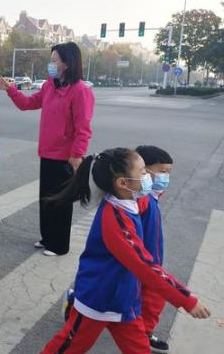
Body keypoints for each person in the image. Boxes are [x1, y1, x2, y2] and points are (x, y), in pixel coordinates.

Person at [40, 148, 210, 354]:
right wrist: (187, 300)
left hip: (125, 301)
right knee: (69, 347)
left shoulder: (130, 202)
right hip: (99, 302)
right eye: (143, 172)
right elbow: (144, 265)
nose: (149, 177)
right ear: (123, 183)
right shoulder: (116, 219)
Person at [0, 41, 95, 256]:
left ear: (66, 64)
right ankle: (48, 237)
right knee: (46, 199)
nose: (50, 64)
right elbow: (27, 104)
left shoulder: (80, 91)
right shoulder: (50, 85)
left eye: (53, 60)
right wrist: (10, 89)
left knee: (61, 202)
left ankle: (59, 245)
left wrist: (77, 155)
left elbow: (83, 128)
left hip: (66, 157)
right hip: (47, 152)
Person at [136, 145, 174, 353]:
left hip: (150, 260)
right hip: (142, 260)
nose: (165, 176)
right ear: (143, 170)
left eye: (168, 172)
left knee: (149, 296)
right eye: (161, 171)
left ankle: (144, 332)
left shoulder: (152, 196)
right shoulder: (140, 199)